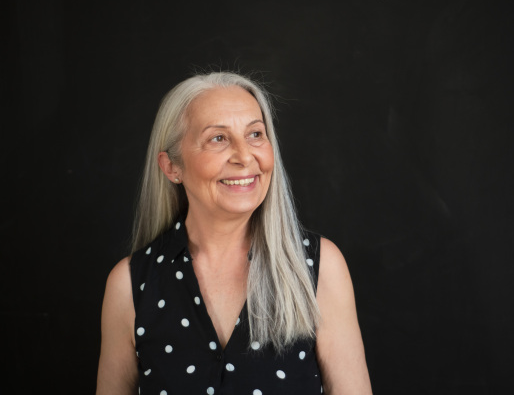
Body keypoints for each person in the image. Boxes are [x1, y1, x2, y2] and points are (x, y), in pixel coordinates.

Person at [96, 72, 372, 394]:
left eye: (255, 134)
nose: (244, 156)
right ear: (172, 167)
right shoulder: (130, 285)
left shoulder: (319, 267)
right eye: (218, 138)